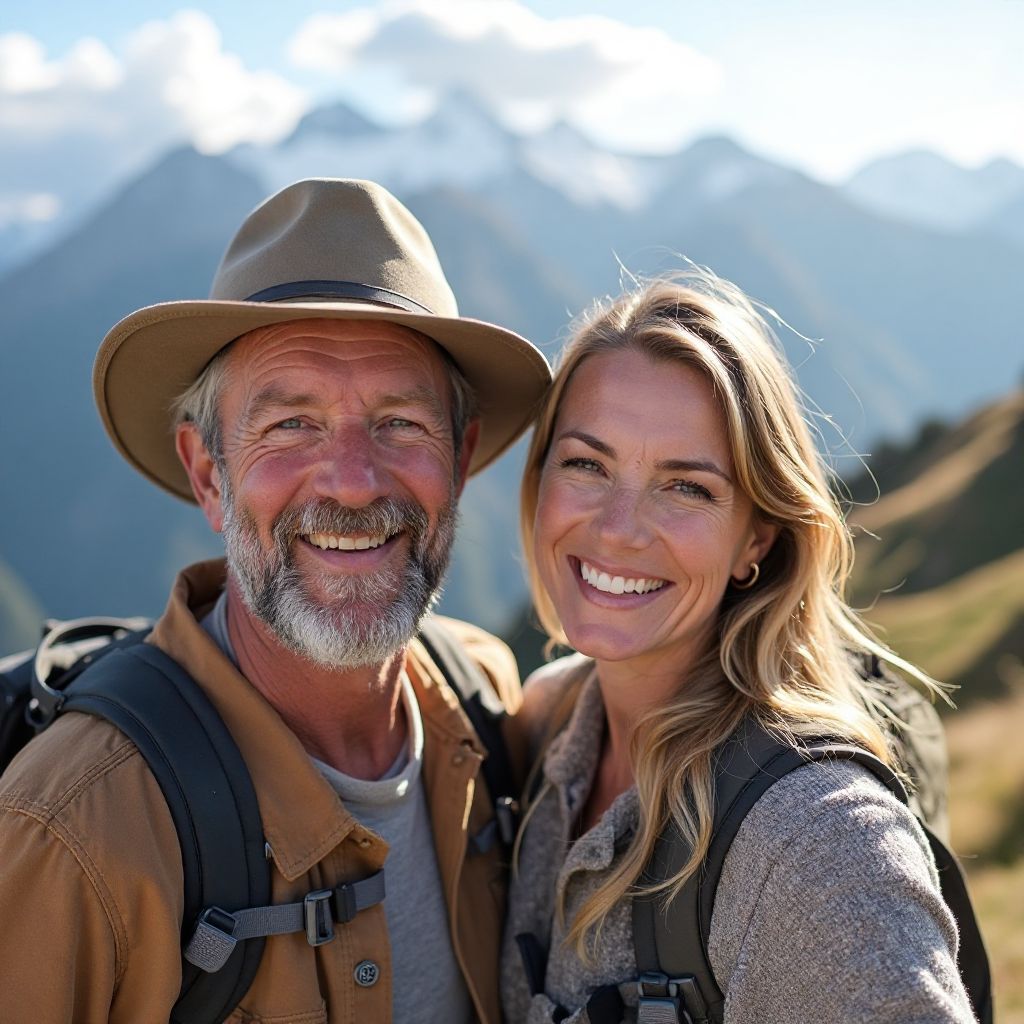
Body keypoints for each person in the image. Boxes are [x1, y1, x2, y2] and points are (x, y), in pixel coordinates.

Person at [0, 178, 551, 1023]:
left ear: (462, 457)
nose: (354, 483)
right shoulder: (72, 832)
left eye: (401, 423)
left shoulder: (483, 704)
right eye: (291, 425)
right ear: (208, 474)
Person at [502, 272, 977, 1023]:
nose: (619, 528)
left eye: (686, 487)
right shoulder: (544, 727)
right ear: (540, 479)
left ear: (756, 538)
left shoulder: (820, 840)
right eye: (587, 464)